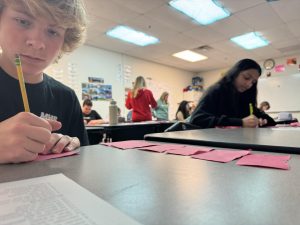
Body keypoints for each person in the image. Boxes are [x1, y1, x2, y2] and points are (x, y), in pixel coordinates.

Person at [0, 0, 88, 164]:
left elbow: (79, 167)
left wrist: (68, 147)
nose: (38, 43)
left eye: (53, 32)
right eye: (23, 21)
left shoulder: (66, 98)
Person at [190, 59, 276, 128]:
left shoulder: (245, 96)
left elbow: (271, 121)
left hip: (238, 142)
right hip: (215, 143)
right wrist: (240, 122)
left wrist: (262, 120)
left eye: (253, 82)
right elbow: (197, 119)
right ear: (235, 73)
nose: (249, 84)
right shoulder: (216, 91)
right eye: (246, 78)